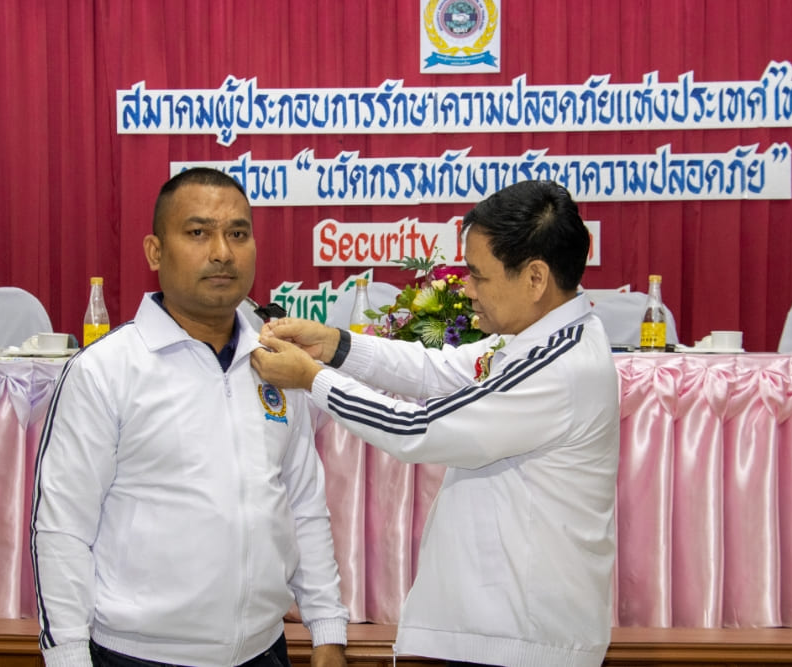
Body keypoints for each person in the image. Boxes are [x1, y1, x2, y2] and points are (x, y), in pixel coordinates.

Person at [251, 180, 619, 667]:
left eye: (478, 275)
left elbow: (415, 429)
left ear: (535, 278)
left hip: (522, 642)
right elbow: (436, 369)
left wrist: (312, 378)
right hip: (506, 634)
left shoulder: (559, 367)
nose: (467, 288)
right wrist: (334, 345)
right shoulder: (536, 340)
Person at [31, 168, 349, 667]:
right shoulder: (106, 370)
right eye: (198, 233)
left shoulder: (277, 365)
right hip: (139, 656)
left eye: (238, 234)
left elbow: (302, 503)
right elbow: (61, 529)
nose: (222, 252)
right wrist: (67, 657)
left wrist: (327, 629)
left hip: (263, 651)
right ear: (155, 252)